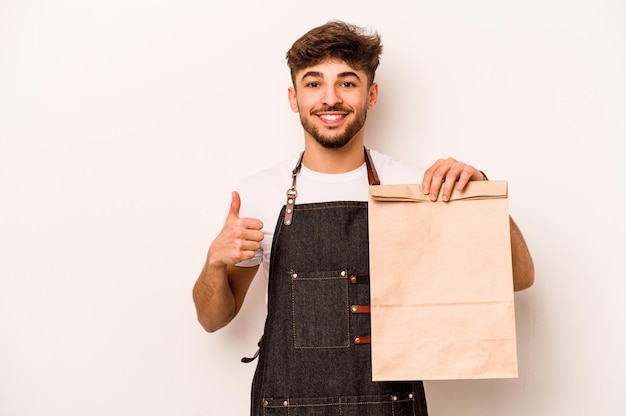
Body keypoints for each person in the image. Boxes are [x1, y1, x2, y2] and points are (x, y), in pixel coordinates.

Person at [192, 20, 535, 416]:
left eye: (348, 83)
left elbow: (521, 278)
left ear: (371, 95)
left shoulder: (416, 187)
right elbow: (212, 318)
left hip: (387, 406)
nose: (330, 98)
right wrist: (214, 261)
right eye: (314, 83)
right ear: (294, 97)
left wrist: (480, 197)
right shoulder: (258, 192)